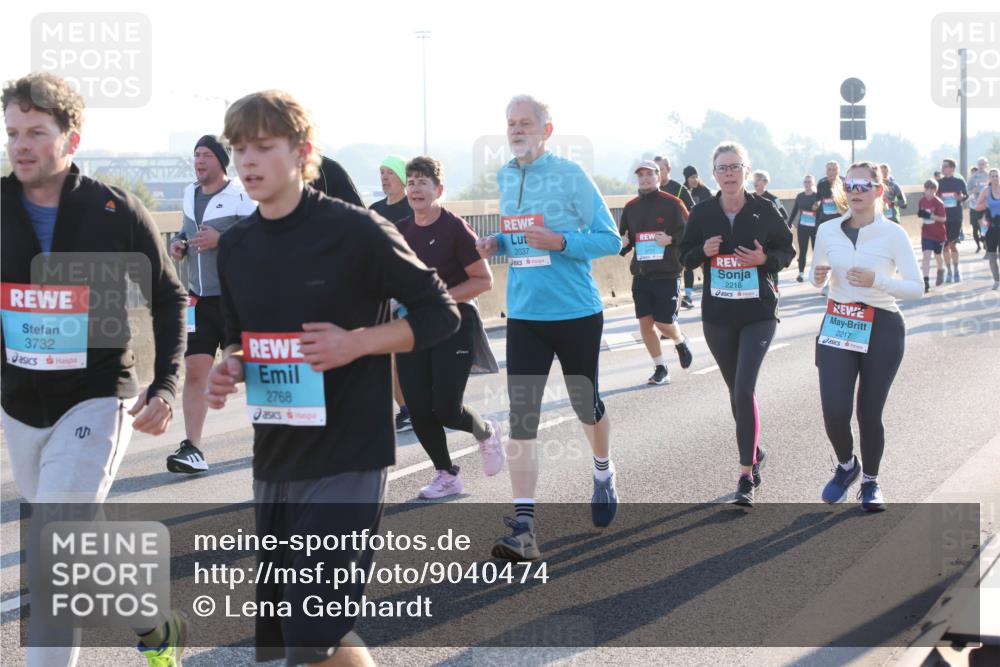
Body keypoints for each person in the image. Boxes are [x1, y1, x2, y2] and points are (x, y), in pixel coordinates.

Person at [207, 89, 459, 666]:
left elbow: (441, 313)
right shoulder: (237, 245)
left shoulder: (357, 231)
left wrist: (356, 343)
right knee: (305, 639)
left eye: (262, 146)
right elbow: (239, 335)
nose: (247, 160)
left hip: (350, 454)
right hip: (276, 457)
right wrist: (233, 366)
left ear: (302, 152)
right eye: (239, 148)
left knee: (309, 634)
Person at [2, 71, 187, 667]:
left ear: (71, 139)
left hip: (97, 394)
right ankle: (155, 624)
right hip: (21, 405)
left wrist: (166, 384)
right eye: (12, 133)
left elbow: (168, 297)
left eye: (36, 132)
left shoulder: (114, 210)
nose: (21, 145)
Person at [476, 94, 621, 559]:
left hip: (575, 312)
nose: (517, 130)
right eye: (511, 123)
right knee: (522, 418)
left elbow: (610, 239)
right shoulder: (506, 175)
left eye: (525, 122)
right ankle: (524, 528)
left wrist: (560, 241)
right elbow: (517, 238)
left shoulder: (570, 175)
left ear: (547, 130)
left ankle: (603, 470)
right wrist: (496, 243)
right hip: (524, 315)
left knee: (585, 406)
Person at [679, 142, 795, 507]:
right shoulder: (702, 213)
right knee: (735, 392)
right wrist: (703, 252)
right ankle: (754, 450)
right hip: (718, 316)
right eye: (722, 168)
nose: (729, 173)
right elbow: (684, 255)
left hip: (758, 313)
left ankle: (746, 475)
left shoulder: (765, 209)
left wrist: (764, 259)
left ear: (746, 170)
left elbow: (787, 252)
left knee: (744, 390)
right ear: (714, 174)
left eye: (735, 167)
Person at [810, 161, 923, 512]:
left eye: (863, 185)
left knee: (869, 412)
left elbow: (916, 287)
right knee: (834, 410)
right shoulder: (827, 230)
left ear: (879, 190)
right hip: (839, 322)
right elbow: (816, 277)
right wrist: (818, 277)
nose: (855, 191)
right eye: (850, 185)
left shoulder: (893, 234)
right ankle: (847, 466)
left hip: (882, 326)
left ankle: (871, 481)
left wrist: (878, 281)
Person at [394, 156, 503, 498]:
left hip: (455, 325)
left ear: (438, 190)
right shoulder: (399, 231)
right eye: (411, 182)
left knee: (446, 409)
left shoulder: (455, 228)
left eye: (423, 182)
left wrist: (438, 299)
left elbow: (483, 280)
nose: (415, 189)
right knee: (417, 406)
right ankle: (446, 474)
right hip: (413, 329)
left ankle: (486, 432)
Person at [166, 135, 257, 474]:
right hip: (198, 301)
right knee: (195, 372)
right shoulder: (189, 194)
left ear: (221, 160)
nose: (199, 161)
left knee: (253, 374)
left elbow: (261, 237)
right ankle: (193, 448)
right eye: (196, 155)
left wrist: (223, 239)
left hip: (237, 301)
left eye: (206, 155)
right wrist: (179, 244)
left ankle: (275, 437)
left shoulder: (242, 196)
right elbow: (184, 231)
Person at [619, 160, 694, 385]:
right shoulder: (630, 207)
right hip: (641, 274)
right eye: (640, 175)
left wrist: (671, 239)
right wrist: (622, 244)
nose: (644, 179)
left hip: (667, 273)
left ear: (658, 177)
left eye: (649, 174)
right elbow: (624, 241)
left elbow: (691, 232)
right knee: (645, 324)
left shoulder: (673, 203)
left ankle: (679, 340)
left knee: (663, 323)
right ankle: (660, 367)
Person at [369, 155, 416, 432]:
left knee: (407, 356)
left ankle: (419, 405)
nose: (384, 177)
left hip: (411, 291)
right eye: (381, 172)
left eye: (390, 172)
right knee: (386, 355)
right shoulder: (374, 210)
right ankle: (406, 409)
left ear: (402, 178)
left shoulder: (414, 206)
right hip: (382, 292)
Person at [655, 155, 698, 308]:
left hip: (679, 237)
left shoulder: (680, 189)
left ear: (668, 169)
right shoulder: (649, 190)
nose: (657, 173)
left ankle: (687, 296)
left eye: (660, 169)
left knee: (684, 265)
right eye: (655, 170)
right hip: (658, 240)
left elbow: (693, 214)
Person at [938, 158, 969, 283]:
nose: (942, 168)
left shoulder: (959, 181)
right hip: (942, 217)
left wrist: (961, 197)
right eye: (942, 166)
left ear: (952, 168)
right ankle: (949, 271)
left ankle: (956, 270)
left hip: (956, 216)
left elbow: (966, 195)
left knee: (952, 244)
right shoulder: (939, 183)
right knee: (945, 246)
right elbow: (933, 197)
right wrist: (938, 198)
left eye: (945, 166)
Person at [787, 174, 820, 282]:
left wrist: (818, 208)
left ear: (813, 183)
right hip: (803, 228)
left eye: (809, 182)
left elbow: (821, 212)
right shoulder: (800, 196)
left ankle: (816, 273)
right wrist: (789, 223)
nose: (807, 184)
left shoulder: (817, 196)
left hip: (815, 228)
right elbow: (794, 211)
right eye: (805, 182)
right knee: (802, 251)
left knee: (816, 251)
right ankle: (801, 274)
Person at [917, 179, 948, 292]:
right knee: (926, 256)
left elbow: (943, 219)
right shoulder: (921, 201)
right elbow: (921, 213)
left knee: (938, 256)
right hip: (926, 233)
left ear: (935, 190)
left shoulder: (938, 203)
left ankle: (940, 270)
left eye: (931, 190)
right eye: (927, 189)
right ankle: (926, 282)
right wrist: (921, 214)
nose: (929, 192)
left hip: (938, 234)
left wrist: (930, 216)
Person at [973, 167, 1000, 290]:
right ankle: (996, 280)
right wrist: (986, 204)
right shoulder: (986, 191)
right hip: (991, 227)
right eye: (992, 176)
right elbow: (977, 207)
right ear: (989, 178)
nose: (995, 178)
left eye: (997, 176)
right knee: (992, 256)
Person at [968, 157, 990, 253]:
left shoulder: (990, 175)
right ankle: (984, 243)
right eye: (979, 164)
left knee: (989, 225)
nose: (981, 166)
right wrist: (974, 190)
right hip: (977, 205)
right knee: (981, 226)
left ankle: (987, 244)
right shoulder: (973, 177)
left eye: (983, 164)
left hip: (989, 204)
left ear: (986, 165)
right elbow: (967, 191)